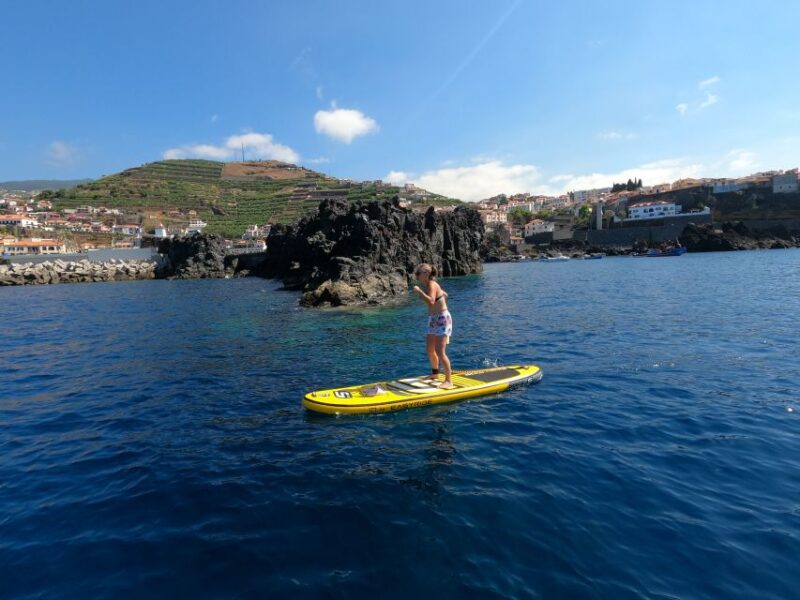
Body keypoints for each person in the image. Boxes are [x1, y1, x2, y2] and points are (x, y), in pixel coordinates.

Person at [412, 263, 454, 389]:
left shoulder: (431, 284)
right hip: (433, 319)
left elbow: (430, 300)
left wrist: (419, 292)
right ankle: (435, 374)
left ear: (425, 274)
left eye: (418, 274)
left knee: (440, 352)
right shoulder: (432, 285)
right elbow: (444, 295)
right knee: (430, 349)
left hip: (442, 319)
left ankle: (449, 381)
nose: (416, 276)